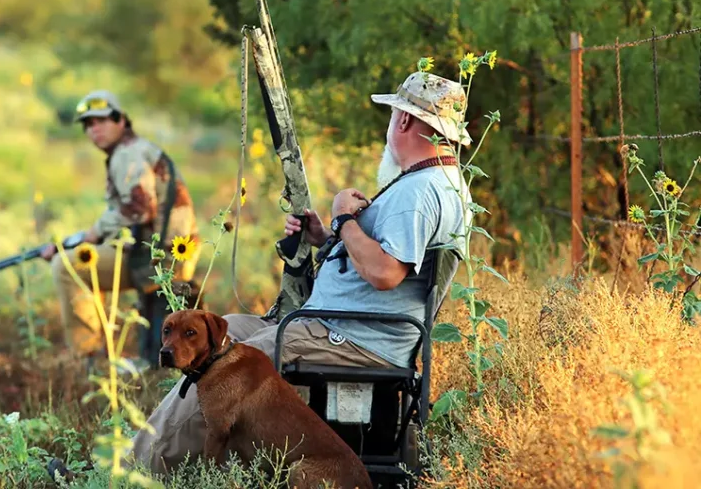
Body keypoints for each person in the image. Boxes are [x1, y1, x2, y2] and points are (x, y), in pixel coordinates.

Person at [125, 71, 474, 475]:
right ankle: (190, 463)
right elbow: (384, 263)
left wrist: (344, 218)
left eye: (392, 116)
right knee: (226, 331)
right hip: (339, 326)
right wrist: (325, 237)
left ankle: (136, 472)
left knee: (225, 365)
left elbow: (385, 273)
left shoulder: (419, 192)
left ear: (405, 121)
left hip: (351, 337)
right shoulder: (438, 182)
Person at [42, 90, 200, 362]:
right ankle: (100, 352)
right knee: (84, 261)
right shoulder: (134, 150)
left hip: (162, 257)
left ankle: (88, 357)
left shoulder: (127, 154)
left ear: (121, 121)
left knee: (68, 267)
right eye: (88, 125)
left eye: (102, 121)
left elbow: (140, 207)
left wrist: (92, 234)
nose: (95, 130)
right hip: (166, 252)